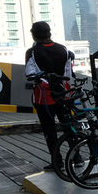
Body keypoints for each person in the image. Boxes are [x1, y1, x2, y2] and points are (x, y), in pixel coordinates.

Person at [25, 21, 73, 171]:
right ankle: (76, 156)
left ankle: (57, 161)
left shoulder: (32, 52)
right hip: (63, 94)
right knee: (68, 126)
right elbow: (68, 75)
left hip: (44, 97)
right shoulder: (63, 49)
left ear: (34, 34)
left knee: (49, 130)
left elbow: (30, 75)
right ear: (49, 32)